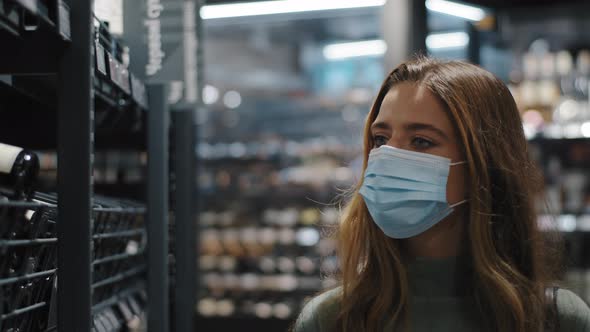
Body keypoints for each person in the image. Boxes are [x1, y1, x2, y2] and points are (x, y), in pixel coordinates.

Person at [292, 57, 590, 332]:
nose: (387, 156)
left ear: (484, 164)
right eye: (380, 139)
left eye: (421, 141)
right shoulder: (331, 319)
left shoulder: (555, 319)